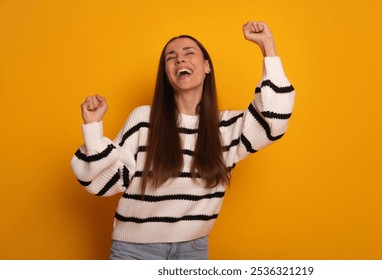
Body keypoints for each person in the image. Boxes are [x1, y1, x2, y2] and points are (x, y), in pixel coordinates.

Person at [70, 21, 295, 260]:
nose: (180, 60)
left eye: (189, 53)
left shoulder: (226, 128)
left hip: (193, 251)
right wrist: (93, 129)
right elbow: (106, 183)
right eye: (171, 58)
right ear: (167, 75)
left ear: (207, 67)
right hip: (135, 252)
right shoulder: (144, 119)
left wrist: (267, 47)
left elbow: (275, 119)